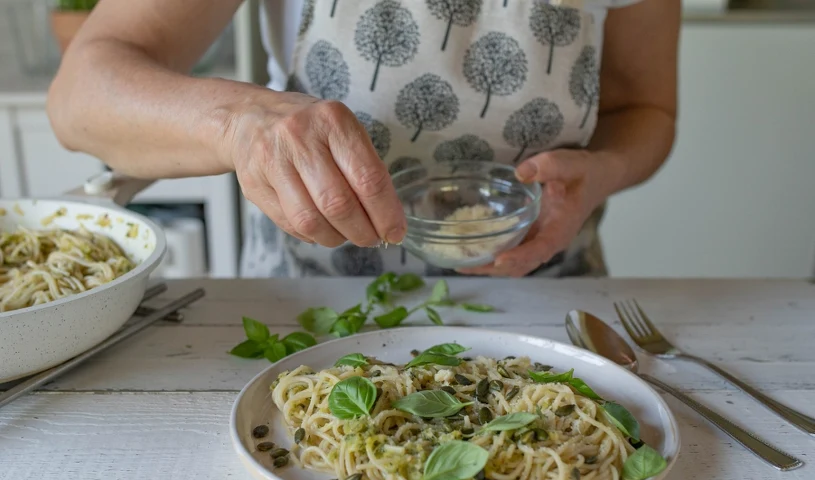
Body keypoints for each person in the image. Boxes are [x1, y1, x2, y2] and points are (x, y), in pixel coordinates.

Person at [48, 0, 679, 278]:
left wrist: (604, 171)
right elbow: (80, 97)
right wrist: (241, 124)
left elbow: (645, 108)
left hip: (547, 298)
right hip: (311, 311)